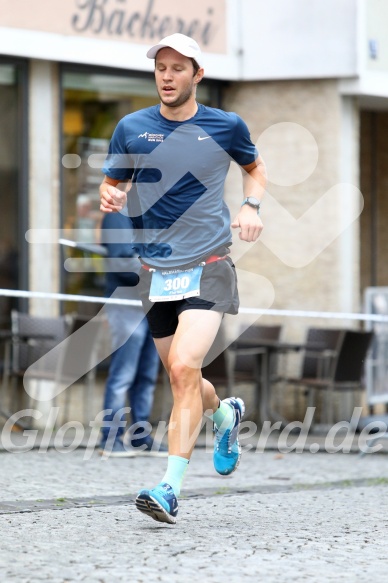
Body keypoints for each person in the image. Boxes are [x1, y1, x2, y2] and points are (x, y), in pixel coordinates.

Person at [99, 33, 266, 524]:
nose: (167, 77)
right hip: (156, 272)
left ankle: (169, 488)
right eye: (161, 69)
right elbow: (114, 182)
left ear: (197, 75)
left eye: (177, 68)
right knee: (186, 375)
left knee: (182, 369)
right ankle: (224, 414)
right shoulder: (131, 128)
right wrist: (111, 195)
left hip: (209, 265)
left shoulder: (225, 125)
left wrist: (250, 206)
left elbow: (255, 170)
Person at [98, 211, 167, 458]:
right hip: (126, 305)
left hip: (152, 304)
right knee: (123, 374)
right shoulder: (118, 215)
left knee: (147, 376)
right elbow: (120, 261)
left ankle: (140, 437)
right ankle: (111, 439)